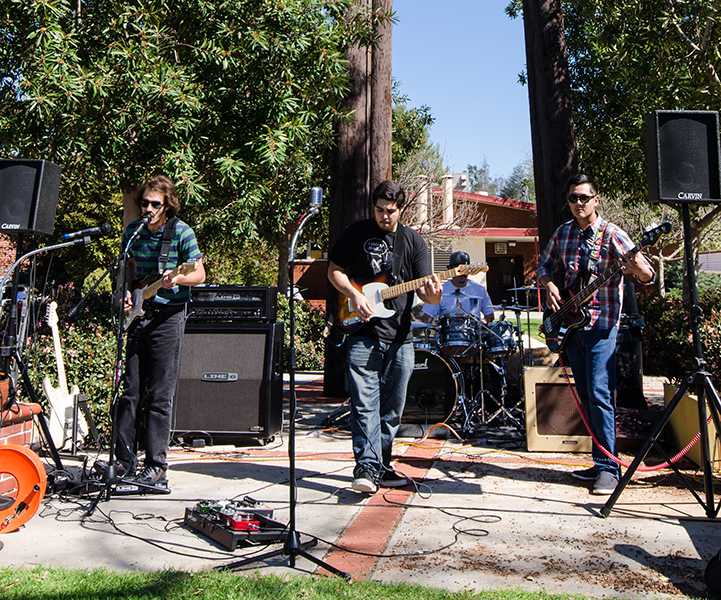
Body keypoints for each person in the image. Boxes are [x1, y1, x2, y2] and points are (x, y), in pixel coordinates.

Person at [537, 174, 655, 495]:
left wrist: (632, 265)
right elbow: (543, 267)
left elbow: (647, 275)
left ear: (596, 200)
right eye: (574, 198)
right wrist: (548, 286)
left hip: (603, 326)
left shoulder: (614, 235)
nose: (579, 204)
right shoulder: (562, 234)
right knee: (588, 395)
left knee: (601, 394)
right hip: (573, 327)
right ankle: (599, 459)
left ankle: (609, 469)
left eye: (584, 198)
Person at [328, 180, 441, 493]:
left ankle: (380, 464)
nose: (384, 216)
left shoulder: (413, 242)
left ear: (400, 210)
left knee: (392, 409)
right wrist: (353, 293)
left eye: (390, 211)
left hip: (400, 337)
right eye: (379, 210)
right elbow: (333, 270)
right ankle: (365, 465)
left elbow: (425, 293)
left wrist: (432, 295)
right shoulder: (357, 233)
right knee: (364, 404)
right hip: (361, 332)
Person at [114, 174, 206, 492]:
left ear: (167, 206)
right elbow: (128, 272)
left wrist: (177, 279)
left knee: (160, 395)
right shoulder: (133, 233)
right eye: (145, 203)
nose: (149, 209)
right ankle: (124, 461)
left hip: (168, 315)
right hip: (139, 315)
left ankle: (156, 466)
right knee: (130, 391)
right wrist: (126, 293)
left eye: (156, 204)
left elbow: (199, 271)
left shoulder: (181, 232)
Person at [418, 250, 495, 325]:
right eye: (458, 271)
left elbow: (490, 316)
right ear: (450, 271)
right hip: (446, 335)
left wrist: (483, 322)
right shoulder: (439, 290)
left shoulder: (480, 290)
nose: (462, 274)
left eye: (465, 270)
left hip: (473, 335)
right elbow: (426, 318)